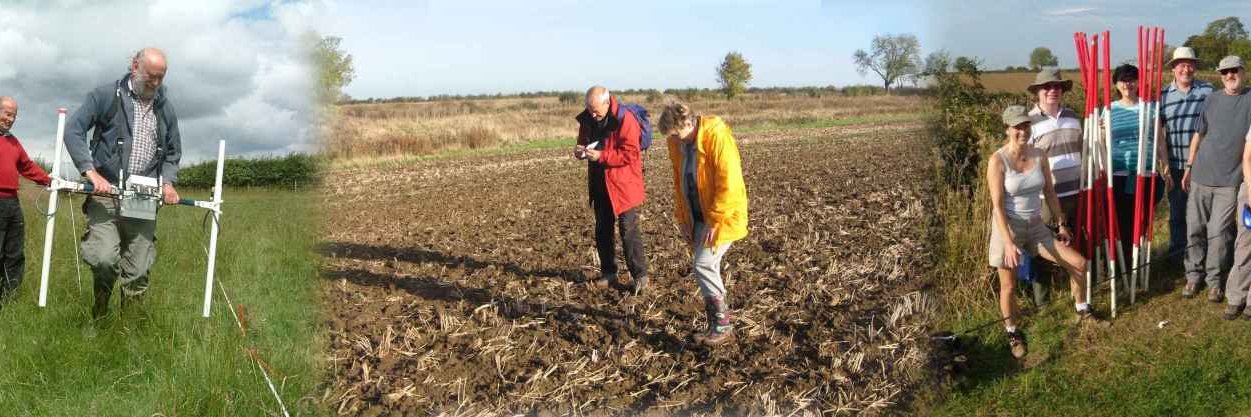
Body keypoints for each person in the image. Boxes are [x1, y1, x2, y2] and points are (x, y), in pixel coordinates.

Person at [64, 48, 182, 319]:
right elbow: (73, 130)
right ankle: (100, 313)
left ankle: (128, 331)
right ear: (134, 66)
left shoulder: (166, 108)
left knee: (139, 268)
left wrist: (167, 183)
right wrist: (91, 173)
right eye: (151, 76)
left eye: (160, 78)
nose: (155, 83)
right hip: (105, 195)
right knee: (104, 258)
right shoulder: (105, 95)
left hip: (143, 197)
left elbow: (173, 152)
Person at [988, 105, 1095, 359]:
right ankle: (1012, 333)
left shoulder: (1039, 155)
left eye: (1026, 125)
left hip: (1036, 226)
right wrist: (1009, 242)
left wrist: (1060, 223)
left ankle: (1082, 310)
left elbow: (1049, 191)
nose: (1023, 131)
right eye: (1017, 127)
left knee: (1079, 263)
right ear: (1008, 128)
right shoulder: (997, 160)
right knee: (1009, 286)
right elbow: (998, 205)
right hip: (1009, 228)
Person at [657, 100, 748, 347]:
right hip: (697, 216)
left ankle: (722, 326)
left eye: (678, 134)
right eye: (671, 137)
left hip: (723, 216)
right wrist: (683, 218)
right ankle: (716, 325)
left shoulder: (716, 136)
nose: (676, 140)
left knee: (703, 264)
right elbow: (679, 183)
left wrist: (714, 221)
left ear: (689, 122)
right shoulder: (676, 143)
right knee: (707, 266)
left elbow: (728, 183)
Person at [1182, 56, 1250, 306]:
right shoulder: (1212, 99)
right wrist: (1189, 166)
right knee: (1195, 229)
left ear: (1243, 71)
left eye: (1234, 70)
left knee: (1218, 233)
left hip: (1230, 180)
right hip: (1201, 174)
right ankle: (1193, 275)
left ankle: (1214, 281)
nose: (1230, 76)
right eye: (1225, 72)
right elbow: (1199, 135)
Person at [573, 86, 648, 294]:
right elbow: (582, 143)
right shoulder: (588, 119)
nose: (592, 114)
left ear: (607, 102)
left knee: (628, 230)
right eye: (589, 109)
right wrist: (580, 151)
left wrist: (602, 156)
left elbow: (630, 154)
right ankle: (608, 273)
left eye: (596, 110)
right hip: (599, 182)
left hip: (623, 185)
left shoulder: (625, 119)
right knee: (602, 229)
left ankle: (641, 276)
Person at [1025, 68, 1083, 306]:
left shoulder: (1072, 116)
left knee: (1075, 244)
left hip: (1076, 191)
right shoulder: (1029, 122)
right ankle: (1043, 302)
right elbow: (1023, 160)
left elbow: (1083, 148)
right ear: (1038, 92)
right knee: (1043, 248)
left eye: (1057, 87)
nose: (1052, 91)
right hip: (1046, 197)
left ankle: (1078, 295)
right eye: (1047, 87)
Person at [1107, 64, 1169, 255]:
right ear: (1116, 85)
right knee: (1123, 221)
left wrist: (1165, 166)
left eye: (1132, 79)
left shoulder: (1150, 108)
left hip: (1146, 173)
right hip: (1118, 175)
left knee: (1142, 220)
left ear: (1138, 82)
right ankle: (1123, 260)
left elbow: (1159, 141)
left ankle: (1140, 258)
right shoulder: (1109, 110)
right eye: (1123, 80)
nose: (1128, 84)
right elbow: (1101, 142)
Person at [1159, 47, 1214, 266]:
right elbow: (1160, 134)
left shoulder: (1208, 91)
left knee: (1202, 213)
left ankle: (1203, 255)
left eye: (1190, 64)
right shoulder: (1163, 96)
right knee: (1177, 213)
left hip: (1203, 164)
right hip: (1175, 164)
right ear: (1173, 68)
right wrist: (1164, 165)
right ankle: (1177, 255)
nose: (1186, 68)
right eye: (1181, 64)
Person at [0, 97, 51, 303]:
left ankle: (9, 299)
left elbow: (28, 166)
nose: (10, 119)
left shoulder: (13, 142)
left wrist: (49, 180)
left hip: (12, 203)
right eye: (7, 113)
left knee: (14, 253)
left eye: (13, 116)